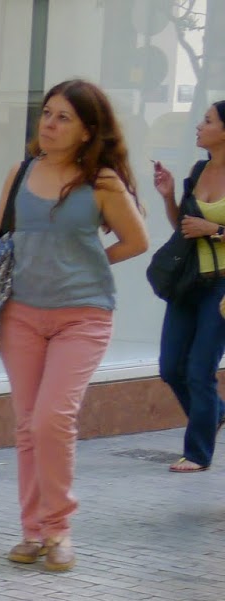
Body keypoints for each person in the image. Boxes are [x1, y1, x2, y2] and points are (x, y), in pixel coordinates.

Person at [0, 79, 147, 572]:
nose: (50, 125)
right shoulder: (21, 173)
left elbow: (136, 240)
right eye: (47, 114)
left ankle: (58, 529)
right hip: (21, 314)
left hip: (83, 315)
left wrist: (88, 262)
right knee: (27, 423)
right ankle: (32, 531)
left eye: (64, 118)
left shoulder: (101, 181)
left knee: (51, 419)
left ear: (87, 131)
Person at [152, 100, 225, 473]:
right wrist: (168, 196)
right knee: (170, 367)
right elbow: (182, 228)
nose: (199, 125)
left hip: (221, 287)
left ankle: (198, 453)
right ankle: (215, 413)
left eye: (207, 120)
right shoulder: (199, 170)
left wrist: (215, 230)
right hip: (189, 281)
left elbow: (204, 229)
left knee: (199, 369)